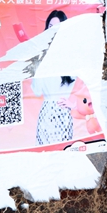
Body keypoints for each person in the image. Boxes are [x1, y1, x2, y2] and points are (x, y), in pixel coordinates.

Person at [31, 10, 76, 145]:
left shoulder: (71, 57)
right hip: (46, 113)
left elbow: (87, 87)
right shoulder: (41, 56)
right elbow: (37, 91)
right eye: (50, 27)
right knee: (44, 151)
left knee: (64, 150)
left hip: (63, 114)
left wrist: (73, 104)